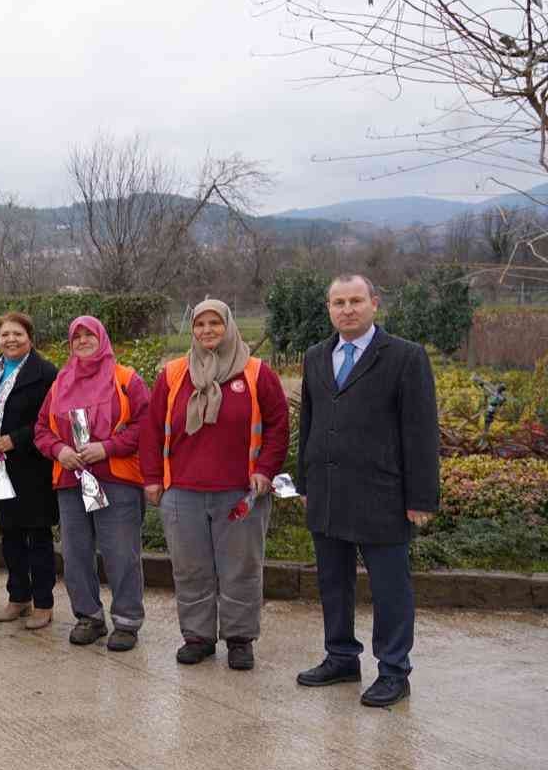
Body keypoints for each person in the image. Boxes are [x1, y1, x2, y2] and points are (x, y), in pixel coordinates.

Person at [295, 274, 439, 708]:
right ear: (329, 309)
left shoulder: (405, 357)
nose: (347, 309)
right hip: (328, 492)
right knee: (333, 582)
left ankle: (394, 670)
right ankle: (341, 656)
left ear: (374, 303)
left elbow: (420, 432)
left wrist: (421, 498)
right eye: (338, 302)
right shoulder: (317, 356)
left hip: (383, 495)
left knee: (390, 587)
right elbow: (310, 424)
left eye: (356, 300)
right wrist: (305, 482)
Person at [142, 300, 289, 671]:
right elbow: (151, 429)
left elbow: (277, 427)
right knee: (191, 568)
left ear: (229, 326)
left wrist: (266, 470)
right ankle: (197, 637)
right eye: (200, 324)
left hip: (240, 492)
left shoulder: (256, 373)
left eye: (215, 323)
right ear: (192, 330)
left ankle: (240, 639)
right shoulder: (174, 374)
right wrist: (152, 479)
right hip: (182, 493)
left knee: (241, 568)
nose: (207, 330)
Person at [34, 317, 150, 651]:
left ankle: (127, 622)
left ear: (102, 338)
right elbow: (42, 429)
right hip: (71, 480)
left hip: (115, 479)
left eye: (89, 335)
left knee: (120, 553)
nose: (83, 340)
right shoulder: (60, 383)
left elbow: (146, 424)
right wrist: (60, 450)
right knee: (76, 553)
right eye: (77, 336)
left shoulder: (125, 379)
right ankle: (89, 617)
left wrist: (107, 447)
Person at [0, 312, 60, 629]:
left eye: (17, 334)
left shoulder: (45, 372)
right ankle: (18, 596)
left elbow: (51, 420)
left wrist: (17, 439)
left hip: (31, 469)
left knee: (37, 536)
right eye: (5, 334)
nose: (11, 340)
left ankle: (43, 603)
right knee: (10, 536)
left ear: (29, 336)